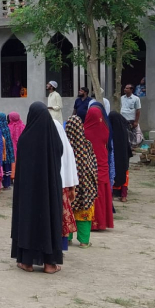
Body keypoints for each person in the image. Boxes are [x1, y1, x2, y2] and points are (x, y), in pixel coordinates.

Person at [11, 102, 64, 274]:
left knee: (28, 221)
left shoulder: (25, 140)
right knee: (49, 220)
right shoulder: (54, 138)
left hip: (28, 194)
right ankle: (50, 264)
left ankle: (27, 262)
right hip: (49, 191)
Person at [65, 115, 98, 248]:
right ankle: (84, 241)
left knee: (67, 211)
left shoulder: (64, 145)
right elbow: (93, 165)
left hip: (69, 183)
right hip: (85, 185)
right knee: (83, 212)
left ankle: (67, 238)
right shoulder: (86, 144)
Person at [84, 104, 114, 231]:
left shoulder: (84, 131)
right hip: (102, 164)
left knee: (90, 194)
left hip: (89, 166)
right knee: (102, 193)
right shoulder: (106, 130)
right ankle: (102, 222)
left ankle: (91, 222)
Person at [53, 118, 79, 251]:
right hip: (63, 186)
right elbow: (71, 169)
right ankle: (61, 247)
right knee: (62, 217)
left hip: (56, 187)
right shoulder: (66, 147)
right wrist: (72, 186)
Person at [109, 111, 132, 202]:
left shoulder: (111, 131)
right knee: (124, 175)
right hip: (123, 158)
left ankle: (112, 194)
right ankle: (123, 196)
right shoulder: (123, 130)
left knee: (112, 173)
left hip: (114, 158)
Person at [0, 113, 16, 188]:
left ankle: (1, 184)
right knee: (7, 168)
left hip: (2, 151)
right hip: (8, 151)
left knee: (3, 167)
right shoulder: (6, 126)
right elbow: (9, 140)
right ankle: (7, 184)